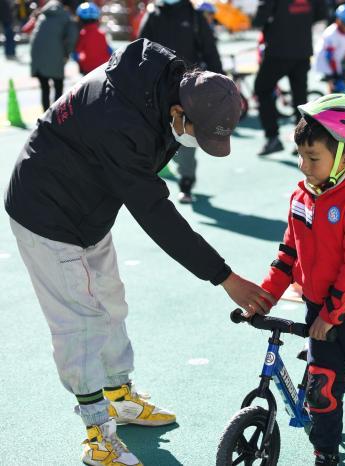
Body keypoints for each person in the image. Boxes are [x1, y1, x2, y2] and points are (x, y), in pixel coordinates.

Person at [5, 38, 273, 466]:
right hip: (46, 212)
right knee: (80, 322)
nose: (194, 141)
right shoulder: (123, 122)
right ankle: (97, 432)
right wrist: (224, 276)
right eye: (195, 132)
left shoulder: (166, 86)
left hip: (87, 205)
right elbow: (155, 212)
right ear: (178, 112)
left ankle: (120, 397)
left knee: (111, 301)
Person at [259, 94, 345, 466]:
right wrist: (263, 297)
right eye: (300, 156)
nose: (304, 166)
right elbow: (288, 254)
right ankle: (325, 453)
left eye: (313, 158)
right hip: (319, 305)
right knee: (321, 388)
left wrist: (329, 316)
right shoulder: (300, 197)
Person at [138, 0, 223, 203]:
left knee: (185, 137)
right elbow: (138, 51)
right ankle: (152, 180)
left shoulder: (194, 16)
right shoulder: (153, 15)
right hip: (156, 91)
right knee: (152, 137)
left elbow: (209, 50)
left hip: (187, 90)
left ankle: (186, 183)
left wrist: (220, 83)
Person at [252, 0, 326, 156]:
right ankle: (303, 141)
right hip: (302, 49)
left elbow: (260, 18)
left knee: (262, 89)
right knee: (300, 97)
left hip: (279, 50)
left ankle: (272, 137)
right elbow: (321, 12)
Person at [29, 0, 78, 111]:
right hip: (55, 55)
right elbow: (72, 38)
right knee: (58, 86)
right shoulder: (66, 17)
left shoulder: (43, 15)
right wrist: (66, 54)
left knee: (44, 88)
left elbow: (34, 37)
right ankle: (56, 117)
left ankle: (45, 116)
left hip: (37, 57)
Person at [315, 4, 345, 93]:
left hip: (336, 63)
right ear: (340, 21)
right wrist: (336, 75)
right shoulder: (331, 33)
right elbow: (329, 57)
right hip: (326, 65)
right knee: (334, 91)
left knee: (343, 85)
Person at [73, 2, 111, 75]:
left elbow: (76, 54)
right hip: (103, 69)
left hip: (88, 70)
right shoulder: (102, 34)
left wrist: (80, 65)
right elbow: (109, 51)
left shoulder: (83, 34)